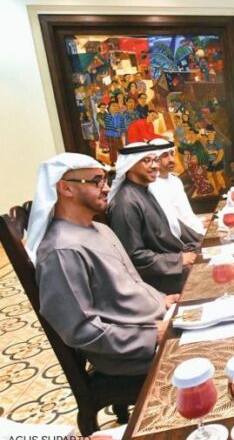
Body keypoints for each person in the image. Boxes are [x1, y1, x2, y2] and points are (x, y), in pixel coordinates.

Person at [25, 153, 176, 377]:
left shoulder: (100, 228)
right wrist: (153, 335)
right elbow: (80, 330)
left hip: (156, 322)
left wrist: (162, 300)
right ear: (66, 188)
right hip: (132, 355)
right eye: (96, 181)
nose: (106, 188)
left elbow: (130, 284)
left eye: (105, 180)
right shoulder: (62, 251)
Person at [108, 142, 200, 294]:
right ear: (130, 165)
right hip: (159, 279)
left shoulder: (145, 191)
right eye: (147, 161)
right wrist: (179, 260)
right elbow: (134, 256)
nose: (155, 166)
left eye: (156, 160)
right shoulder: (125, 203)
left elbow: (171, 228)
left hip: (172, 265)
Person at [148, 139, 208, 236]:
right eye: (165, 155)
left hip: (193, 231)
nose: (171, 159)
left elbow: (184, 214)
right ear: (154, 159)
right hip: (179, 239)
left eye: (172, 154)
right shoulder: (151, 187)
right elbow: (170, 224)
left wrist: (199, 222)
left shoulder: (176, 181)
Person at [103, 101, 125, 165]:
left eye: (117, 106)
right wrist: (115, 129)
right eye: (113, 106)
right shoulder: (108, 116)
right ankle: (113, 161)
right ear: (109, 108)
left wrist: (122, 130)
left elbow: (122, 124)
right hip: (111, 135)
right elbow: (107, 126)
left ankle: (122, 159)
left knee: (120, 147)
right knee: (112, 148)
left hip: (118, 135)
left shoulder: (120, 116)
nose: (115, 107)